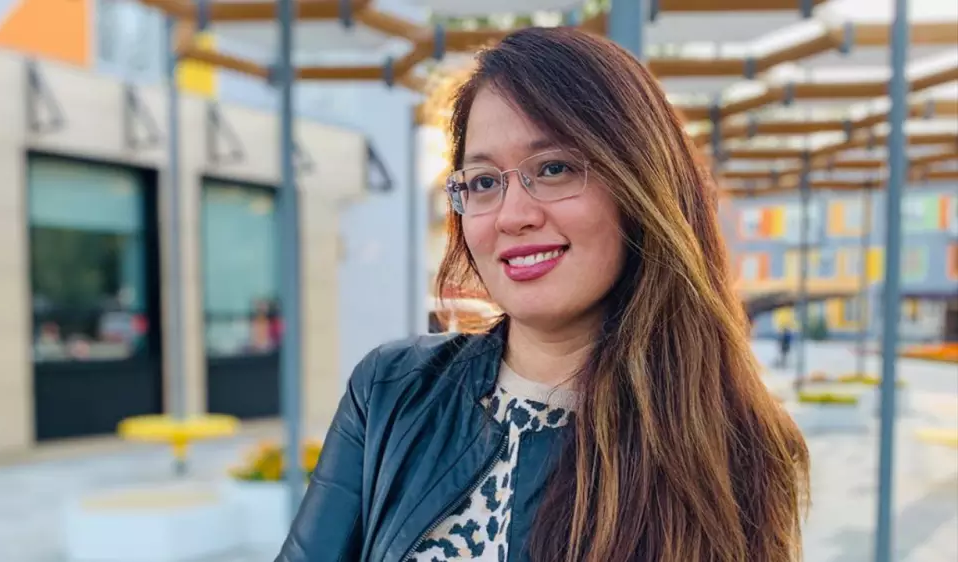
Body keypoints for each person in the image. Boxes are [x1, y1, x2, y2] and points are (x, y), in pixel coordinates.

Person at [277, 27, 810, 562]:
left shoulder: (739, 447)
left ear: (640, 184)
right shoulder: (392, 392)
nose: (512, 216)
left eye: (554, 169)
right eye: (484, 182)